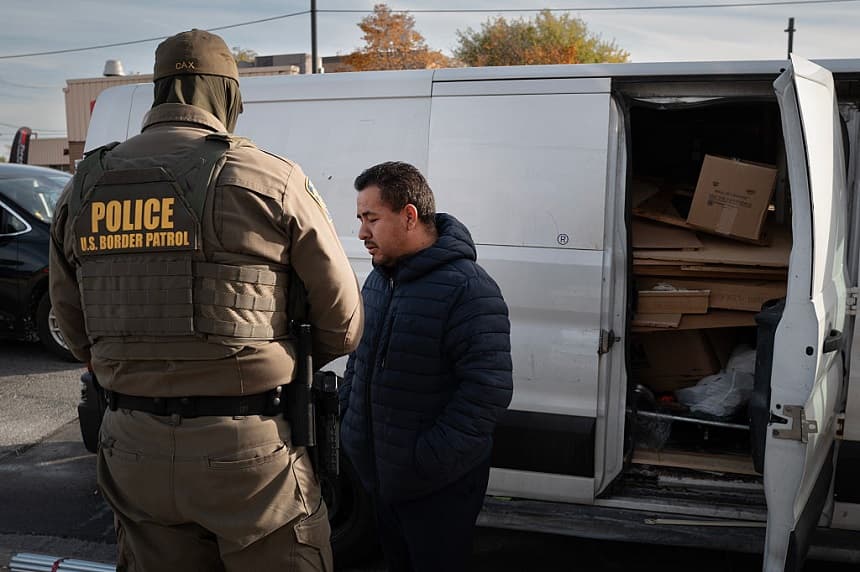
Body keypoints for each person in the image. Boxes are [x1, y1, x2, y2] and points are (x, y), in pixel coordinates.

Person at [49, 29, 362, 572]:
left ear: (160, 90)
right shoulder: (270, 179)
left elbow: (73, 328)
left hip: (132, 448)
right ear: (225, 94)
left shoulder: (84, 187)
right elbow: (342, 322)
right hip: (249, 457)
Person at [341, 161, 513, 572]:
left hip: (438, 488)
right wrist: (351, 423)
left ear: (409, 216)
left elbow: (487, 392)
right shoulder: (381, 279)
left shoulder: (469, 288)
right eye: (360, 220)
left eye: (371, 219)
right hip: (381, 479)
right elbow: (360, 360)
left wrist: (425, 461)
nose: (362, 233)